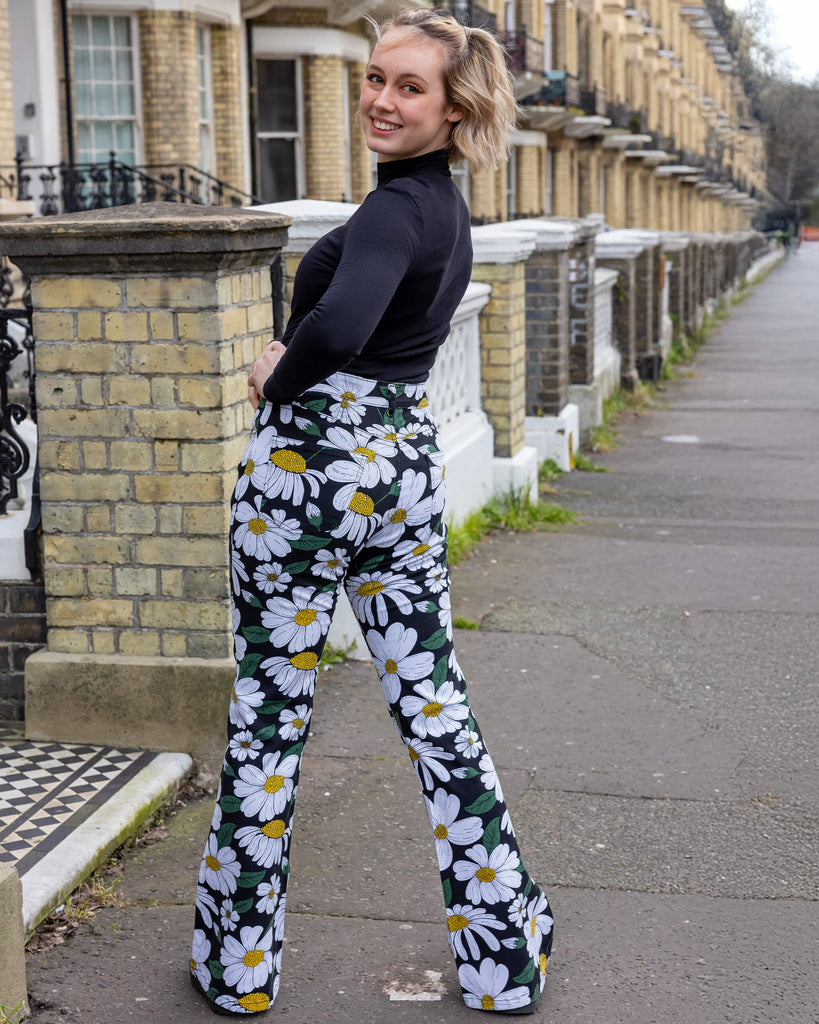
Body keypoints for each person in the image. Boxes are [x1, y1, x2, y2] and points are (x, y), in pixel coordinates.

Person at [190, 7, 554, 1016]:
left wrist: (276, 371)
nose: (382, 100)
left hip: (308, 479)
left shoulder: (394, 210)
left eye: (409, 86)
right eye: (375, 78)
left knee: (271, 717)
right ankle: (505, 955)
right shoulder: (445, 208)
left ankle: (238, 969)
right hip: (399, 471)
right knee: (435, 705)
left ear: (453, 108)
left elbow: (342, 325)